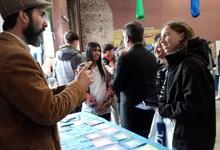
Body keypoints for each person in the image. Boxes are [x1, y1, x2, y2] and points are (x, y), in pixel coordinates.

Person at [0, 0, 93, 150]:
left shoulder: (10, 50)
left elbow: (36, 99)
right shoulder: (13, 56)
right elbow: (49, 110)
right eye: (41, 15)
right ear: (23, 15)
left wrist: (74, 84)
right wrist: (79, 86)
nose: (45, 24)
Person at [159, 21, 216, 150]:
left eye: (166, 35)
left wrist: (165, 109)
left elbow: (194, 106)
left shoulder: (191, 65)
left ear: (182, 36)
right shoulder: (177, 63)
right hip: (181, 134)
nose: (161, 41)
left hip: (191, 140)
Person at [112, 21, 158, 137]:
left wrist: (114, 73)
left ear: (127, 38)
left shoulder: (125, 58)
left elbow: (116, 85)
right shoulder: (151, 56)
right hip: (149, 106)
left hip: (131, 110)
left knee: (132, 140)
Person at [81, 42, 114, 121]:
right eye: (94, 50)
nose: (97, 53)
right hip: (90, 110)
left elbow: (110, 86)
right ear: (89, 51)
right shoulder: (83, 68)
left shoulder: (103, 67)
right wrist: (88, 98)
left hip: (104, 110)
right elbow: (79, 88)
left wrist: (105, 104)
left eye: (99, 50)